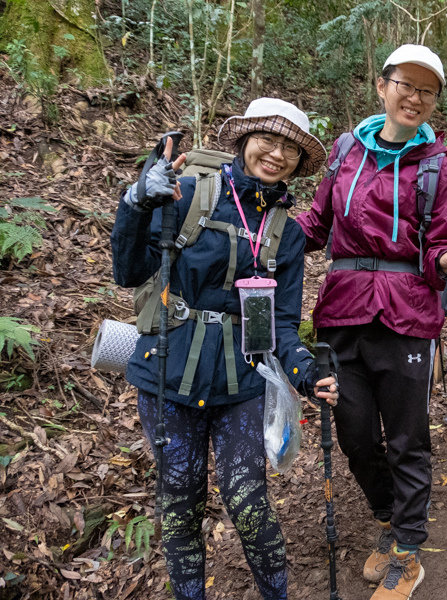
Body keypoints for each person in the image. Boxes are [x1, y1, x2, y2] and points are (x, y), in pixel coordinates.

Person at [110, 98, 339, 600]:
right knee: (180, 503)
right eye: (268, 140)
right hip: (167, 374)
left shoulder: (290, 233)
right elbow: (128, 272)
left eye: (290, 150)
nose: (277, 154)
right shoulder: (185, 193)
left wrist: (304, 371)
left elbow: (280, 321)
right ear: (243, 139)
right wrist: (136, 203)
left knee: (249, 501)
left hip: (242, 381)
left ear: (300, 163)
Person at [297, 44, 447, 600]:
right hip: (342, 309)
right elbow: (316, 224)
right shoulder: (344, 153)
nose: (415, 97)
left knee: (406, 438)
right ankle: (387, 516)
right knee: (354, 434)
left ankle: (408, 548)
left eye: (427, 91)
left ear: (435, 102)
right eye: (406, 84)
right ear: (382, 87)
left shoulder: (440, 170)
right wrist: (262, 229)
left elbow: (439, 247)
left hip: (407, 312)